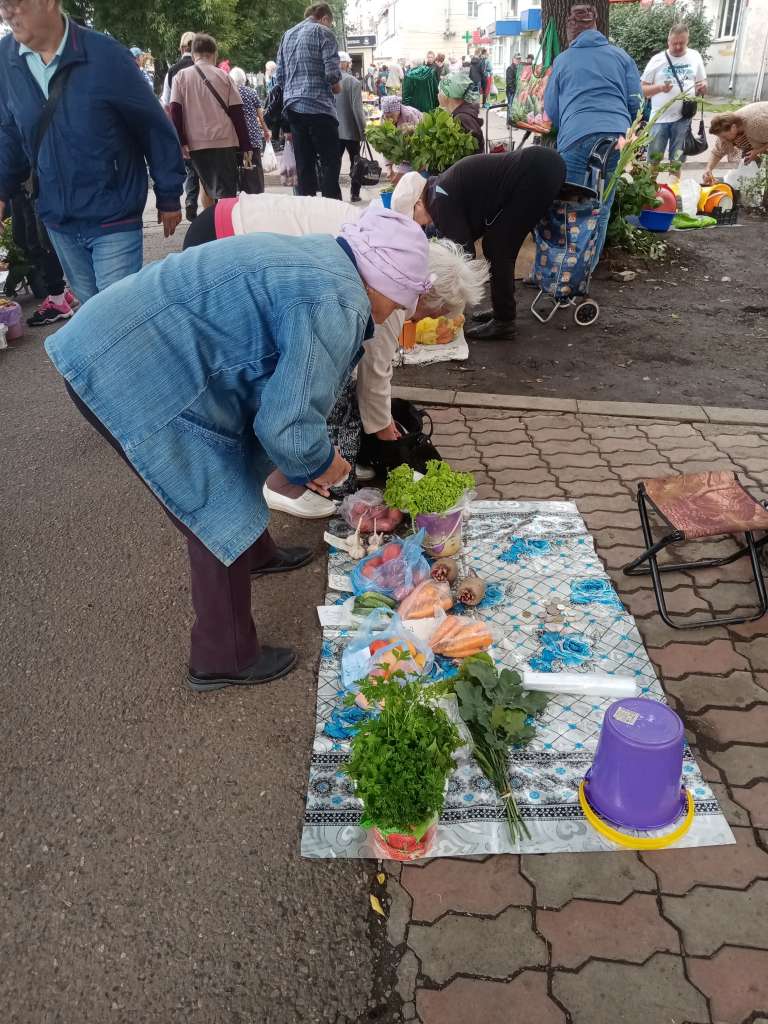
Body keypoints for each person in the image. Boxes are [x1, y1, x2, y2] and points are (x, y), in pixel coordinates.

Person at [45, 206, 431, 692]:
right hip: (127, 367)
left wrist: (311, 459)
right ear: (386, 283)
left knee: (233, 460)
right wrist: (327, 467)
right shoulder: (341, 301)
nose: (396, 313)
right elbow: (287, 424)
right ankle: (222, 656)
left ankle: (255, 553)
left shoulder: (328, 260)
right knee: (213, 504)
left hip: (120, 339)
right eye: (399, 302)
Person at [182, 191, 488, 515]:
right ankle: (280, 482)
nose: (417, 318)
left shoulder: (393, 252)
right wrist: (383, 431)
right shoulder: (393, 284)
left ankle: (284, 469)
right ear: (426, 297)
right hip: (224, 237)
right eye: (427, 314)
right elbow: (374, 367)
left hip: (229, 219)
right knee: (275, 373)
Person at [0, 3, 184, 306]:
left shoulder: (105, 55)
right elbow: (9, 132)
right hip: (58, 219)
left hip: (113, 211)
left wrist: (168, 193)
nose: (7, 12)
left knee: (116, 315)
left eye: (16, 2)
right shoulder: (6, 60)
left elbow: (153, 125)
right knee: (91, 315)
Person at [392, 148, 566, 341]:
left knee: (499, 247)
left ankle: (504, 321)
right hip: (540, 166)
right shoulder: (438, 191)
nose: (418, 226)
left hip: (537, 171)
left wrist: (449, 310)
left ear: (418, 204)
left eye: (413, 219)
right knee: (496, 244)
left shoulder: (439, 202)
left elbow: (462, 256)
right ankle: (502, 310)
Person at [544, 4, 640, 266]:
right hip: (616, 138)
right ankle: (586, 271)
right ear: (596, 27)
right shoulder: (621, 57)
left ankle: (562, 272)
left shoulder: (563, 60)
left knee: (570, 205)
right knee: (602, 205)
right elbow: (636, 102)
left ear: (570, 29)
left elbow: (551, 110)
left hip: (576, 137)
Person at [170, 33, 251, 206]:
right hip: (224, 142)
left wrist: (181, 141)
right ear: (214, 53)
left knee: (206, 188)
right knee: (227, 192)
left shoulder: (180, 78)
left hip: (196, 144)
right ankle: (226, 226)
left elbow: (175, 112)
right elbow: (237, 113)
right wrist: (246, 145)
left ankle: (211, 224)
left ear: (193, 54)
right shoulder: (224, 77)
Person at [276, 2, 343, 199]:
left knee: (305, 165)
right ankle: (331, 209)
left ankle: (308, 208)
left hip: (294, 109)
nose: (329, 26)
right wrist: (337, 87)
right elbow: (332, 75)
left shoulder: (287, 35)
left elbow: (280, 78)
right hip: (320, 107)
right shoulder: (323, 32)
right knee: (330, 162)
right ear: (324, 18)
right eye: (330, 22)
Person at [642, 24, 708, 164]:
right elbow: (642, 90)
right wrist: (660, 88)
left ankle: (674, 186)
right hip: (659, 120)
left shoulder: (695, 56)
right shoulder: (657, 60)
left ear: (687, 41)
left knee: (677, 162)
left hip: (683, 119)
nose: (678, 47)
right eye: (674, 43)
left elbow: (702, 81)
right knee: (653, 162)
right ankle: (651, 185)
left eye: (681, 44)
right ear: (668, 42)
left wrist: (703, 86)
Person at [162, 31, 201, 221]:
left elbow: (166, 103)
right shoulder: (203, 67)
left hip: (182, 127)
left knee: (191, 167)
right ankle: (211, 211)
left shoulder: (172, 71)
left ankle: (191, 200)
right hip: (203, 126)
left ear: (181, 48)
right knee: (206, 168)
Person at [703, 102, 768, 183]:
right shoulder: (726, 127)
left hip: (762, 126)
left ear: (733, 128)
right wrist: (708, 169)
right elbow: (717, 152)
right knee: (749, 167)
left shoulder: (756, 123)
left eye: (724, 137)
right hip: (758, 139)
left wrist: (758, 151)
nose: (722, 140)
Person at [229, 67, 269, 195]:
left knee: (238, 166)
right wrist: (266, 129)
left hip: (236, 136)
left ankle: (241, 191)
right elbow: (260, 115)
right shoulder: (251, 92)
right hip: (252, 137)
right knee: (253, 166)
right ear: (244, 79)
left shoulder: (228, 93)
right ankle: (256, 192)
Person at [335, 52, 367, 203]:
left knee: (333, 164)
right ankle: (354, 194)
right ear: (347, 64)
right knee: (356, 163)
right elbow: (357, 110)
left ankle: (334, 194)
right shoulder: (353, 82)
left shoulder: (328, 81)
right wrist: (363, 130)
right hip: (351, 131)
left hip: (333, 131)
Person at [437, 71, 484, 152]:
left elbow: (470, 155)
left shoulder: (461, 119)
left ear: (448, 95)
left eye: (440, 91)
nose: (438, 94)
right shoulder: (461, 114)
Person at [505, 54, 521, 125]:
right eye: (517, 59)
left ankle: (513, 122)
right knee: (510, 106)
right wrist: (513, 90)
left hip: (517, 91)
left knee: (515, 107)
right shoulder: (510, 68)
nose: (518, 60)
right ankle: (509, 123)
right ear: (513, 59)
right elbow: (509, 81)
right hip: (511, 91)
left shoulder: (519, 68)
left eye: (519, 59)